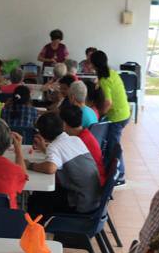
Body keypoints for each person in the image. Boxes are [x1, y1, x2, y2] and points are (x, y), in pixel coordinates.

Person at [27, 111, 101, 216]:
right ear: (63, 125)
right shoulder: (75, 139)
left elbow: (50, 168)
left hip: (80, 202)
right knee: (42, 195)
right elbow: (62, 155)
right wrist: (45, 149)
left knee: (37, 200)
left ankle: (36, 229)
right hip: (93, 199)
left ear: (42, 134)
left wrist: (30, 165)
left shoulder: (55, 146)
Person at [90, 49, 130, 185]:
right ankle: (111, 173)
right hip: (124, 113)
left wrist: (100, 115)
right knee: (111, 145)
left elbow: (108, 102)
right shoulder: (111, 73)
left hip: (117, 116)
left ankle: (119, 176)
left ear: (94, 64)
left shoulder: (104, 80)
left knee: (113, 147)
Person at [59, 103, 107, 185]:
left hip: (91, 182)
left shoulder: (79, 141)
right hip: (94, 177)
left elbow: (61, 164)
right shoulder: (84, 134)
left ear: (63, 124)